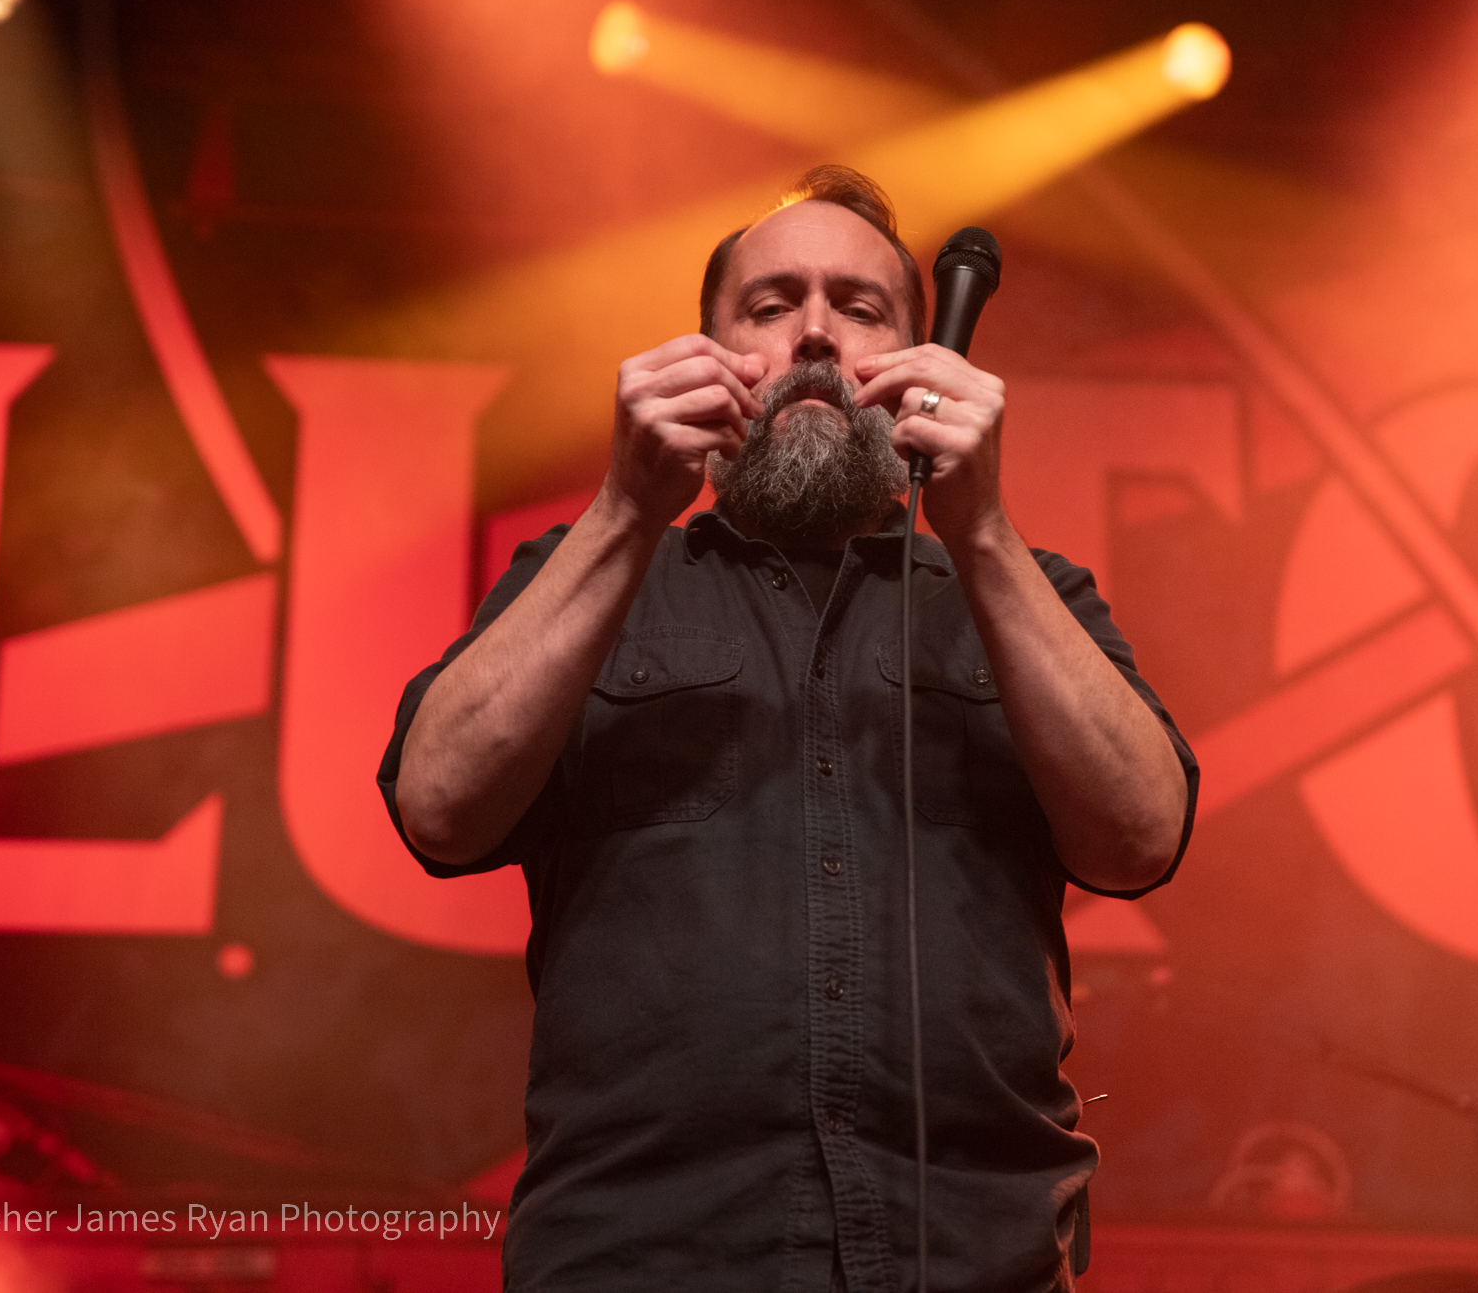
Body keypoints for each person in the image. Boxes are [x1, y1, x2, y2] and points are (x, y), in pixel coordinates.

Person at [378, 166, 1197, 1292]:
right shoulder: (594, 576)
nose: (814, 332)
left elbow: (1141, 837)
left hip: (974, 1259)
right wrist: (624, 508)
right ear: (707, 357)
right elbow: (437, 806)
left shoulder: (1027, 591)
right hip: (644, 1260)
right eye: (769, 306)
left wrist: (984, 535)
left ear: (922, 365)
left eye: (860, 309)